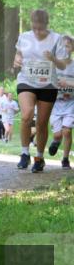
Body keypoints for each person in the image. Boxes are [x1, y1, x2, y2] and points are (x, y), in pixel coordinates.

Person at [13, 9, 71, 172]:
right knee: (26, 115)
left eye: (41, 28)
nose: (37, 31)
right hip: (27, 81)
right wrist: (17, 60)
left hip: (48, 84)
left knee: (42, 122)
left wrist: (53, 58)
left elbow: (63, 65)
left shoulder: (57, 39)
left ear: (47, 24)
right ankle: (25, 153)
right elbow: (18, 55)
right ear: (31, 24)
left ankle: (39, 157)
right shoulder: (24, 37)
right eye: (35, 27)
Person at [47, 35, 74, 169]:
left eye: (68, 46)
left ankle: (65, 159)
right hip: (55, 105)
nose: (65, 49)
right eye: (62, 46)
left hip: (71, 104)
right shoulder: (54, 66)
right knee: (58, 134)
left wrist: (68, 83)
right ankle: (56, 141)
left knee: (67, 131)